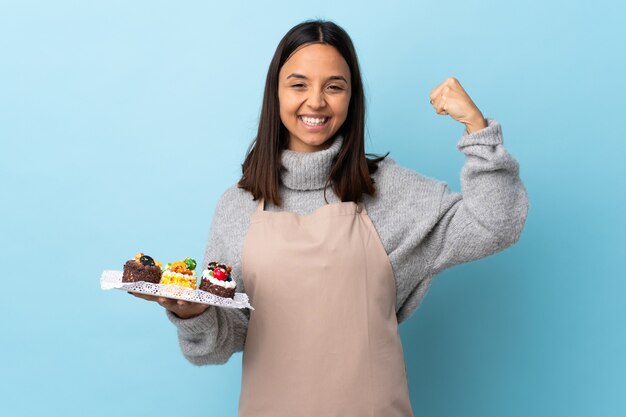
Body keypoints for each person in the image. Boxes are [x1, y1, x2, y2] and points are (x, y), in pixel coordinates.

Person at [133, 19, 528, 416]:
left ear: (352, 98)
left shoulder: (391, 193)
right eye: (299, 84)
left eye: (334, 87)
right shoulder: (237, 206)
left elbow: (495, 224)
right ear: (276, 94)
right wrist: (193, 313)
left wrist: (477, 130)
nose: (316, 102)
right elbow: (219, 345)